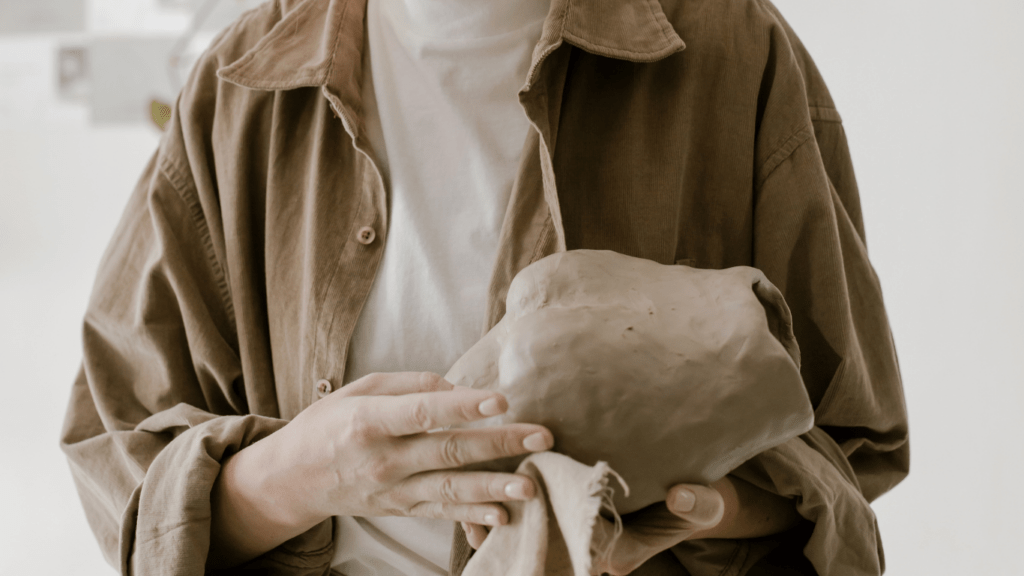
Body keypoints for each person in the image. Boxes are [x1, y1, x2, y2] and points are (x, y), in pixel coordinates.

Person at [60, 0, 909, 574]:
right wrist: (305, 472)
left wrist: (710, 508)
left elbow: (850, 448)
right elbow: (120, 465)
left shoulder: (736, 51)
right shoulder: (241, 84)